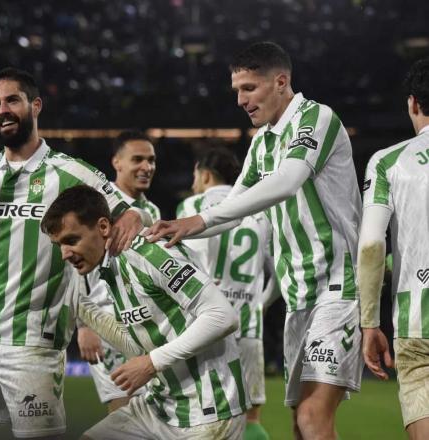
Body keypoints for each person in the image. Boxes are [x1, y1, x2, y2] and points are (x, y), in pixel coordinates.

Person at [146, 42, 363, 440]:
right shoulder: (262, 142)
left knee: (314, 417)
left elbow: (288, 181)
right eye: (236, 91)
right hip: (298, 297)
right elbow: (235, 205)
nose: (241, 100)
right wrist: (175, 228)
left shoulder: (315, 118)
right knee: (301, 423)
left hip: (337, 287)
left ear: (281, 81)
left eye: (248, 88)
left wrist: (199, 218)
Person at [0, 67, 143, 440]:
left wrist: (135, 215)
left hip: (34, 347)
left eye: (12, 100)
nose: (2, 110)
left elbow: (132, 212)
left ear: (35, 106)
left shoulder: (69, 172)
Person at [42, 185, 249, 440]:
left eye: (72, 240)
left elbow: (222, 316)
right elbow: (144, 339)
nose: (65, 254)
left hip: (208, 411)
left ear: (103, 227)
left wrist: (151, 363)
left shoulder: (149, 253)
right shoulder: (111, 268)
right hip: (160, 406)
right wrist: (81, 309)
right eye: (59, 244)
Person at [177, 147, 278, 440]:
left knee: (202, 417)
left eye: (196, 174)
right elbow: (280, 276)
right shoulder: (259, 212)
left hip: (204, 328)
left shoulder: (192, 206)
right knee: (251, 419)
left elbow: (188, 266)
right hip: (248, 327)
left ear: (205, 174)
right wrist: (260, 304)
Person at [358, 57, 429, 440]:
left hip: (418, 321)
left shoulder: (387, 162)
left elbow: (371, 245)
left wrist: (369, 323)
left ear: (413, 104)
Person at [77, 130, 160, 413]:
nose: (146, 167)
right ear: (117, 162)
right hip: (107, 322)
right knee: (124, 409)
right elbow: (72, 264)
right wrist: (84, 325)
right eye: (137, 159)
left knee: (149, 413)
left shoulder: (151, 210)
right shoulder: (96, 206)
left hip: (144, 322)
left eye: (151, 160)